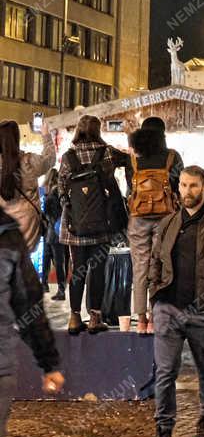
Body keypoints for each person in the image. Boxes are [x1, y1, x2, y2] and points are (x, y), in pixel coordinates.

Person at [148, 165, 204, 437]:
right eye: (183, 185)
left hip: (203, 308)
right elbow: (155, 261)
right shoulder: (168, 223)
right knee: (164, 372)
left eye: (193, 186)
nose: (187, 191)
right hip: (168, 308)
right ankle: (164, 429)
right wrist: (154, 295)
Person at [57, 115, 131, 335]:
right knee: (97, 271)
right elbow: (128, 159)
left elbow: (61, 189)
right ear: (98, 131)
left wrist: (70, 208)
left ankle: (74, 317)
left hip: (75, 227)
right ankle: (95, 318)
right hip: (101, 224)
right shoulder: (107, 153)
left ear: (78, 131)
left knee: (77, 270)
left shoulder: (68, 157)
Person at [0, 205, 63, 437]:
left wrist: (49, 362)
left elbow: (28, 305)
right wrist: (49, 364)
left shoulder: (8, 235)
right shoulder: (8, 234)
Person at [126, 119, 184, 335]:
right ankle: (156, 316)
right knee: (160, 264)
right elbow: (179, 183)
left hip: (138, 217)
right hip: (166, 217)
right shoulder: (172, 156)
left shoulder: (133, 159)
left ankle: (141, 320)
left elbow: (129, 190)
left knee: (140, 266)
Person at [0, 119, 55, 248]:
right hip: (28, 225)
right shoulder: (28, 161)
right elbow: (50, 159)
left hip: (3, 228)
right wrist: (46, 135)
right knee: (23, 264)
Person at [39, 169, 68, 300]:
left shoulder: (51, 194)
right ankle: (58, 288)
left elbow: (47, 214)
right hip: (57, 231)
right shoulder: (60, 192)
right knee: (58, 261)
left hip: (52, 231)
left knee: (54, 260)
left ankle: (55, 288)